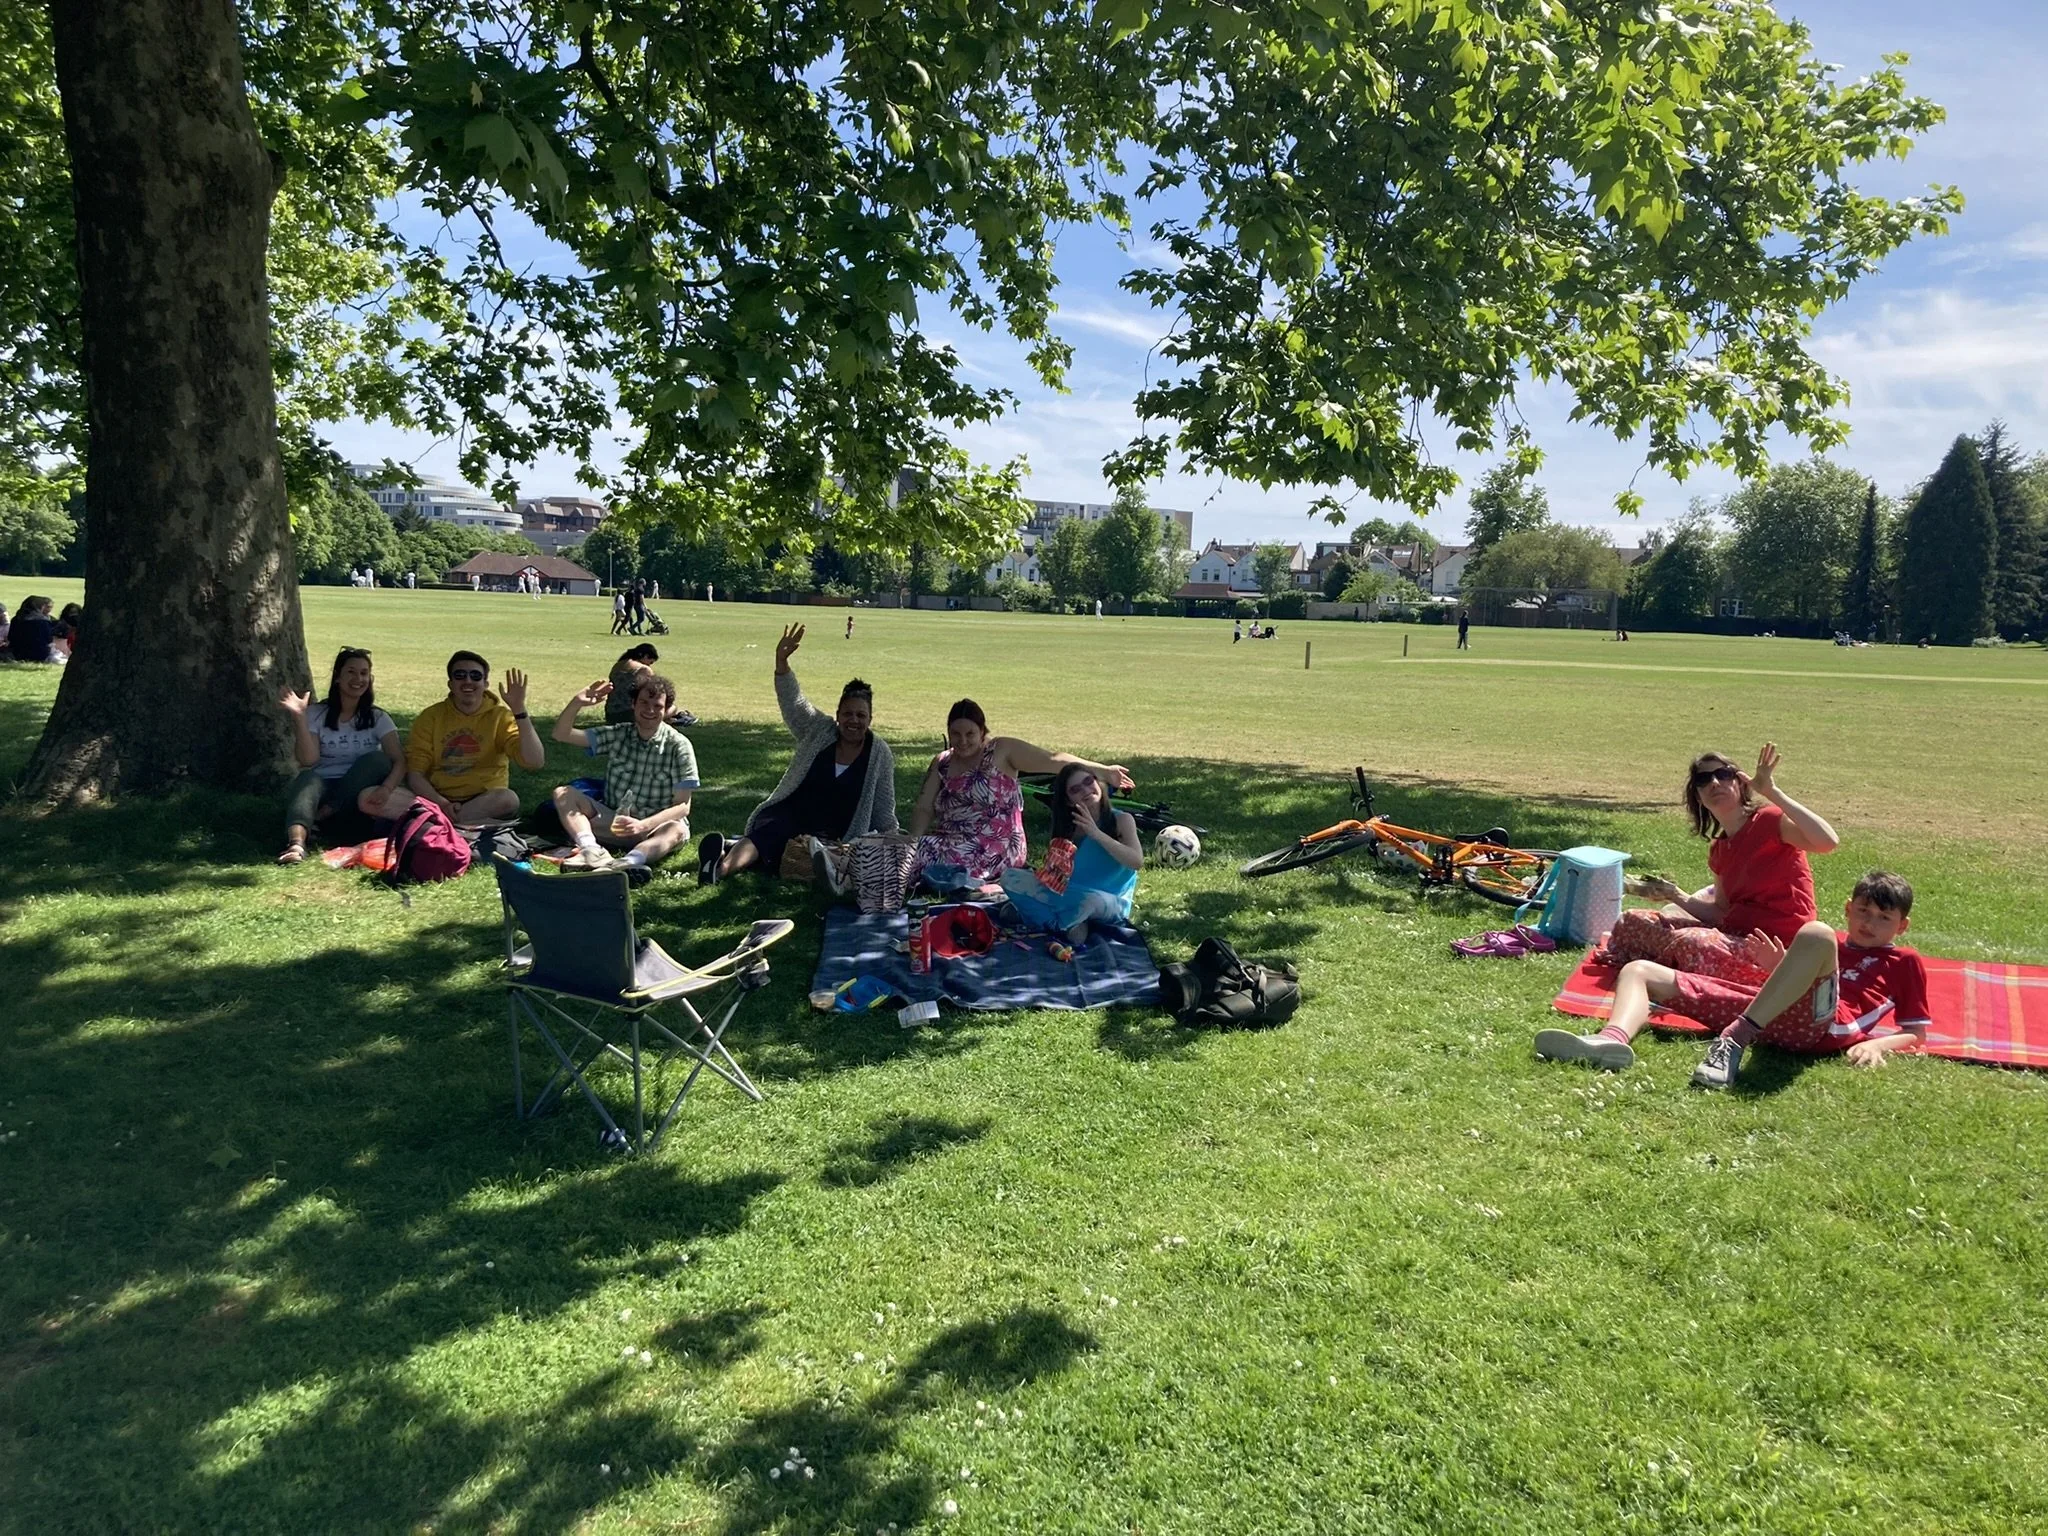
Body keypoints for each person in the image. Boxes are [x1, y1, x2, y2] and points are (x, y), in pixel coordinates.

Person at [1538, 871, 1931, 1090]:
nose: (1869, 924)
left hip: (1823, 1027)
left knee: (1814, 932)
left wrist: (1880, 1045)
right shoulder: (1837, 946)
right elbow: (1780, 988)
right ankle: (1611, 1041)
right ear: (1849, 909)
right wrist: (1778, 966)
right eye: (1863, 911)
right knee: (1638, 970)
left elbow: (1916, 1032)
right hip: (1772, 1016)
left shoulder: (1904, 960)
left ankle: (1732, 1041)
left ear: (1903, 925)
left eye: (1883, 918)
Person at [1600, 744, 1839, 987]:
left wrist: (1773, 793)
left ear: (1740, 783)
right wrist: (1673, 894)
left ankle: (1679, 968)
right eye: (1703, 779)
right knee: (1630, 921)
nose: (1714, 783)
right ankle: (1681, 967)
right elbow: (1721, 913)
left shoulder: (1769, 820)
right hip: (1733, 938)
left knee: (1693, 943)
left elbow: (1828, 842)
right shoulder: (1719, 849)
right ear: (1698, 797)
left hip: (1777, 947)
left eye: (1723, 775)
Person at [699, 623, 898, 882]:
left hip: (836, 833)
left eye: (861, 715)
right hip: (795, 815)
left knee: (818, 855)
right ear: (837, 715)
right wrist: (781, 662)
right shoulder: (820, 730)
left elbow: (883, 807)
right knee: (769, 834)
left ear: (871, 719)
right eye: (847, 713)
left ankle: (730, 848)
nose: (854, 720)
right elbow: (794, 703)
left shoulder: (879, 752)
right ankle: (717, 870)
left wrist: (894, 839)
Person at [906, 699, 1132, 889]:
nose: (962, 741)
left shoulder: (1002, 751)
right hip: (949, 839)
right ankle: (950, 880)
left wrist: (1104, 771)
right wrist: (911, 842)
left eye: (970, 733)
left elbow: (1053, 760)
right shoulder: (943, 761)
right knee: (900, 854)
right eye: (955, 734)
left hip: (996, 845)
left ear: (982, 731)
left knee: (913, 862)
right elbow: (924, 807)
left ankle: (968, 882)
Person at [550, 672, 699, 883]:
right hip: (615, 822)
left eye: (657, 706)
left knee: (676, 829)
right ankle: (591, 851)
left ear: (666, 710)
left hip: (654, 828)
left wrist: (643, 825)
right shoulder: (620, 734)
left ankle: (626, 864)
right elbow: (561, 734)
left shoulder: (679, 746)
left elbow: (683, 807)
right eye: (644, 703)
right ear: (633, 704)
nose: (649, 710)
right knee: (563, 793)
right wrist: (577, 703)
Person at [368, 651, 545, 826]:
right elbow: (415, 774)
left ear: (485, 684)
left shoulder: (500, 717)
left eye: (475, 676)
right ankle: (457, 827)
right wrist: (442, 803)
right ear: (450, 684)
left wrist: (519, 710)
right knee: (368, 798)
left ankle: (436, 827)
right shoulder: (431, 717)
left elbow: (535, 761)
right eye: (460, 675)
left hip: (483, 800)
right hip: (435, 798)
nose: (468, 681)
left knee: (508, 799)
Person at [276, 647, 403, 864]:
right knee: (307, 778)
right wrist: (299, 718)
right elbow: (308, 760)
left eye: (364, 673)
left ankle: (324, 815)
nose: (358, 679)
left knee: (377, 760)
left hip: (359, 795)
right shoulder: (318, 713)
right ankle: (296, 844)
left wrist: (386, 788)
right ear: (338, 677)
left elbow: (399, 761)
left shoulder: (378, 717)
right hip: (324, 786)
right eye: (351, 672)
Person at [997, 763, 1143, 944]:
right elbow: (1057, 878)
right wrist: (1047, 874)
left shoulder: (1121, 820)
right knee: (1009, 877)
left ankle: (1037, 917)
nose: (1086, 790)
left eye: (1088, 781)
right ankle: (1064, 925)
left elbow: (1136, 861)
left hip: (1106, 901)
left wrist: (1096, 834)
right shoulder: (1068, 825)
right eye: (1076, 789)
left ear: (1098, 783)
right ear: (1068, 800)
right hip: (1070, 894)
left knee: (1088, 902)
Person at [603, 643, 663, 724]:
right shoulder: (643, 669)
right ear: (645, 656)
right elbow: (654, 692)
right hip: (629, 714)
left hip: (610, 713)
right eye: (650, 662)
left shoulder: (618, 665)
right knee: (671, 710)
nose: (650, 665)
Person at [6, 595, 58, 663]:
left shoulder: (16, 620)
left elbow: (10, 637)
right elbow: (48, 639)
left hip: (17, 653)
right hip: (39, 654)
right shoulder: (43, 621)